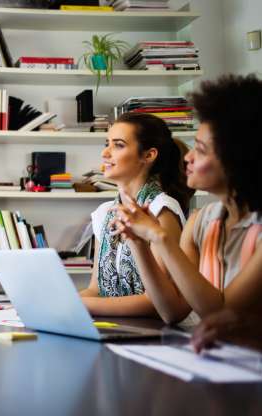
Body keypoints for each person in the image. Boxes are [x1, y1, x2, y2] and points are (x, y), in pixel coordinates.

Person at [112, 74, 262, 325]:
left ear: (237, 160)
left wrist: (159, 237)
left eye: (201, 150)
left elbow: (221, 317)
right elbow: (172, 311)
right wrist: (139, 243)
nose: (188, 157)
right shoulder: (199, 221)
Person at [79, 112, 192, 317]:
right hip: (115, 327)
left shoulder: (161, 210)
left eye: (118, 145)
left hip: (157, 337)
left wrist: (79, 305)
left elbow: (157, 302)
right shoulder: (104, 213)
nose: (105, 153)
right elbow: (95, 289)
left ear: (148, 155)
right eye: (107, 143)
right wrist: (63, 302)